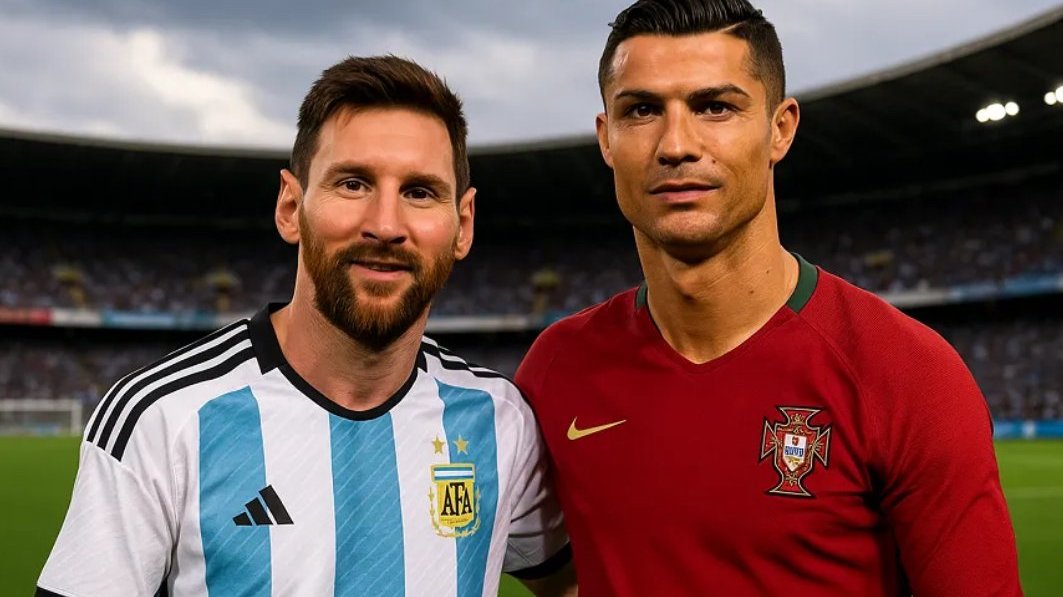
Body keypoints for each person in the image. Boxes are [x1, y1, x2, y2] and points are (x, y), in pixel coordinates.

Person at [515, 1, 1021, 595]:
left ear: (780, 128)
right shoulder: (555, 369)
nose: (676, 144)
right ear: (607, 139)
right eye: (642, 110)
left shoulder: (909, 374)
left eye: (715, 106)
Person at [38, 55, 575, 597]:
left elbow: (575, 582)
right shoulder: (161, 418)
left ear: (463, 224)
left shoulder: (499, 422)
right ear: (291, 207)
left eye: (419, 192)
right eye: (353, 183)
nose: (385, 225)